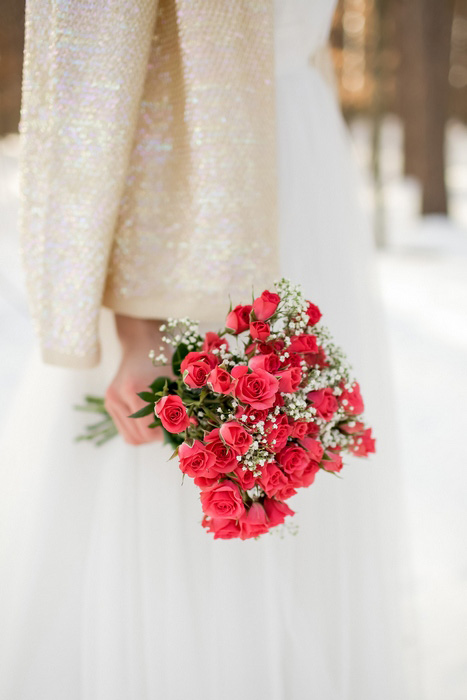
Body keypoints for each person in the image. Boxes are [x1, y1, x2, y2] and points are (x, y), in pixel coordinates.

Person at [0, 1, 414, 698]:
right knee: (166, 504)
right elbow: (95, 71)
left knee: (303, 484)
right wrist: (139, 325)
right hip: (179, 205)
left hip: (298, 170)